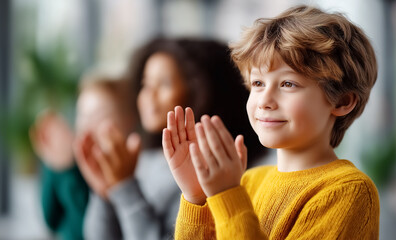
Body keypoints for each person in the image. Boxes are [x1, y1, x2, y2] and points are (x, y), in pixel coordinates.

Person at [163, 5, 380, 239]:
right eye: (257, 83)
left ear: (342, 101)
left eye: (288, 84)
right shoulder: (248, 181)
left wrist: (227, 195)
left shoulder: (349, 191)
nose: (264, 101)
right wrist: (197, 196)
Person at [78, 38, 268, 240]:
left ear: (200, 92)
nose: (148, 94)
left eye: (164, 84)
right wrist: (105, 195)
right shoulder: (143, 161)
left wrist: (125, 188)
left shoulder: (207, 172)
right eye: (145, 83)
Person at [30, 72, 138, 240]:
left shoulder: (128, 172)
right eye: (83, 115)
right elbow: (50, 221)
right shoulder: (72, 160)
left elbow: (88, 233)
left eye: (99, 115)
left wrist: (68, 170)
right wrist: (55, 165)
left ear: (128, 120)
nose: (88, 124)